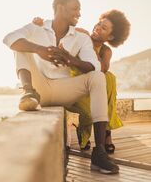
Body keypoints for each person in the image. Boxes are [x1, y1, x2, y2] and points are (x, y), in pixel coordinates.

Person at [3, 0, 119, 174]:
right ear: (60, 8)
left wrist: (70, 59)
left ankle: (100, 152)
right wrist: (38, 49)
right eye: (75, 9)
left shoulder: (81, 38)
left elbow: (95, 66)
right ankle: (27, 92)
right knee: (19, 45)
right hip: (39, 87)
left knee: (99, 77)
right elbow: (8, 38)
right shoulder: (37, 27)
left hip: (64, 89)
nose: (79, 14)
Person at [33, 10, 131, 154]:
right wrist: (40, 25)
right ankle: (97, 132)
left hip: (93, 87)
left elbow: (101, 69)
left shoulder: (106, 51)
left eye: (103, 28)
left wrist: (91, 48)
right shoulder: (80, 33)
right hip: (73, 83)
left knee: (108, 77)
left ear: (110, 36)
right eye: (99, 24)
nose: (97, 28)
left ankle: (106, 133)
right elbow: (57, 30)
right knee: (93, 106)